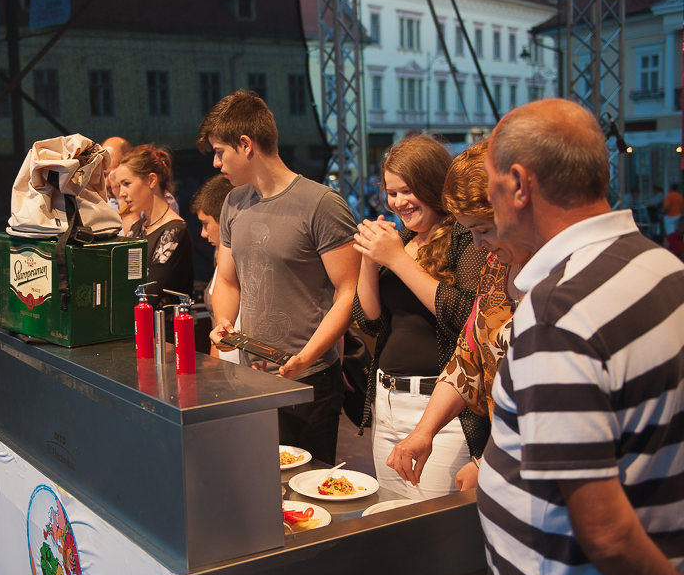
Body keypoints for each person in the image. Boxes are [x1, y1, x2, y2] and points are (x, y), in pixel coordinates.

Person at [478, 98, 684, 575]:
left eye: (489, 182)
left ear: (519, 184)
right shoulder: (664, 267)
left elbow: (608, 537)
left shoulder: (557, 311)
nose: (489, 199)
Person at [200, 90, 360, 466]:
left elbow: (348, 292)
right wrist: (223, 322)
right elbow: (227, 281)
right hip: (252, 377)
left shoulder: (321, 203)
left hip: (310, 379)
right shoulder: (233, 202)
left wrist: (306, 357)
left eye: (220, 151)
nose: (216, 163)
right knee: (257, 482)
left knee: (305, 490)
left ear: (246, 145)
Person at [385, 140, 531, 493]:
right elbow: (467, 358)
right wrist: (423, 432)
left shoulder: (561, 278)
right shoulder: (497, 266)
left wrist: (488, 461)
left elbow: (545, 399)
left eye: (484, 229)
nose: (479, 244)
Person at [352, 134, 488, 499]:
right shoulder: (403, 240)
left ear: (434, 186)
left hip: (443, 412)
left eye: (407, 191)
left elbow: (467, 317)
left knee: (433, 518)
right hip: (387, 402)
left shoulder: (465, 235)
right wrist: (369, 258)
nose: (399, 202)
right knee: (393, 514)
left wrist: (397, 260)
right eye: (391, 193)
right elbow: (369, 321)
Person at [118, 144, 194, 313]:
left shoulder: (174, 230)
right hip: (135, 323)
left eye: (126, 184)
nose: (122, 193)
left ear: (152, 180)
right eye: (120, 185)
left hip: (163, 328)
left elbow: (150, 295)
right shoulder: (137, 227)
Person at [189, 174, 238, 363]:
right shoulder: (221, 257)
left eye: (205, 223)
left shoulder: (241, 261)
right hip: (224, 367)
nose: (203, 233)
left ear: (225, 219)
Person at [103, 136, 179, 214]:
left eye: (112, 175)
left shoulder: (162, 199)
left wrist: (121, 200)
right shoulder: (103, 200)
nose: (106, 183)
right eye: (104, 175)